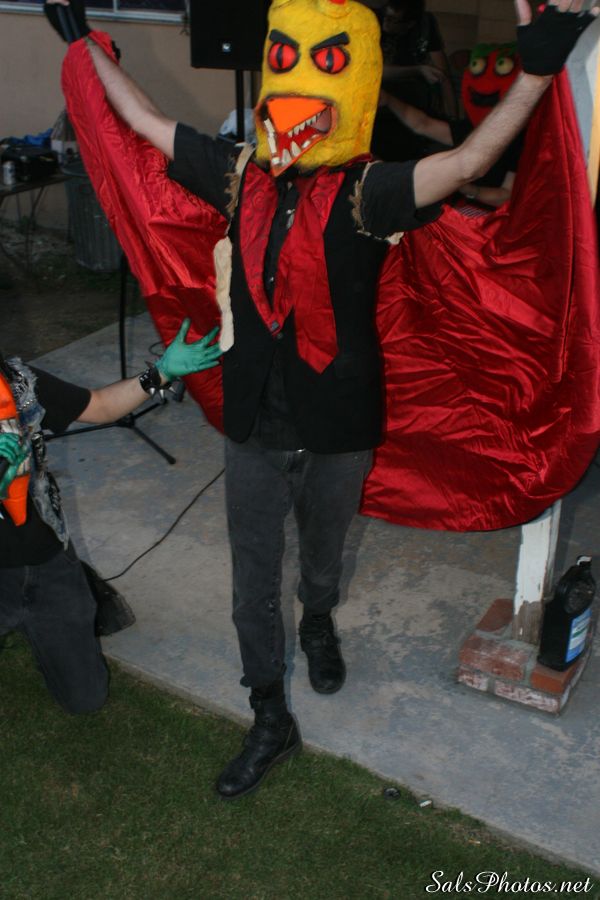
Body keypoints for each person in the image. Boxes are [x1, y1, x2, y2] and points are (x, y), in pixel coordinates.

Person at [44, 0, 598, 798]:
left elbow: (471, 161)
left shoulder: (371, 191)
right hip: (253, 427)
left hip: (340, 424)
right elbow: (142, 118)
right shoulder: (237, 173)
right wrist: (85, 43)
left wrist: (537, 72)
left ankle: (317, 621)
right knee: (250, 583)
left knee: (324, 555)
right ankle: (270, 716)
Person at [0, 320, 221, 714]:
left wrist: (161, 373)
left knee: (86, 699)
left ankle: (65, 598)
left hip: (44, 558)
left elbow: (100, 406)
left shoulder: (18, 381)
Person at [379, 43, 524, 207]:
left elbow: (505, 196)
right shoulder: (473, 128)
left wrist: (468, 189)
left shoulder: (521, 140)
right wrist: (389, 100)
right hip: (465, 208)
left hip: (493, 216)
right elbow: (422, 124)